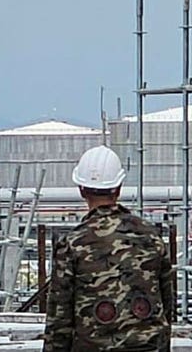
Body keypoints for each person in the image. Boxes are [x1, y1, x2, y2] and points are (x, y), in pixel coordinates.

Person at [43, 145, 174, 351]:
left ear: (81, 190)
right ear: (119, 188)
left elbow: (59, 320)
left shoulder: (72, 243)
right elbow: (167, 304)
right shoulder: (151, 237)